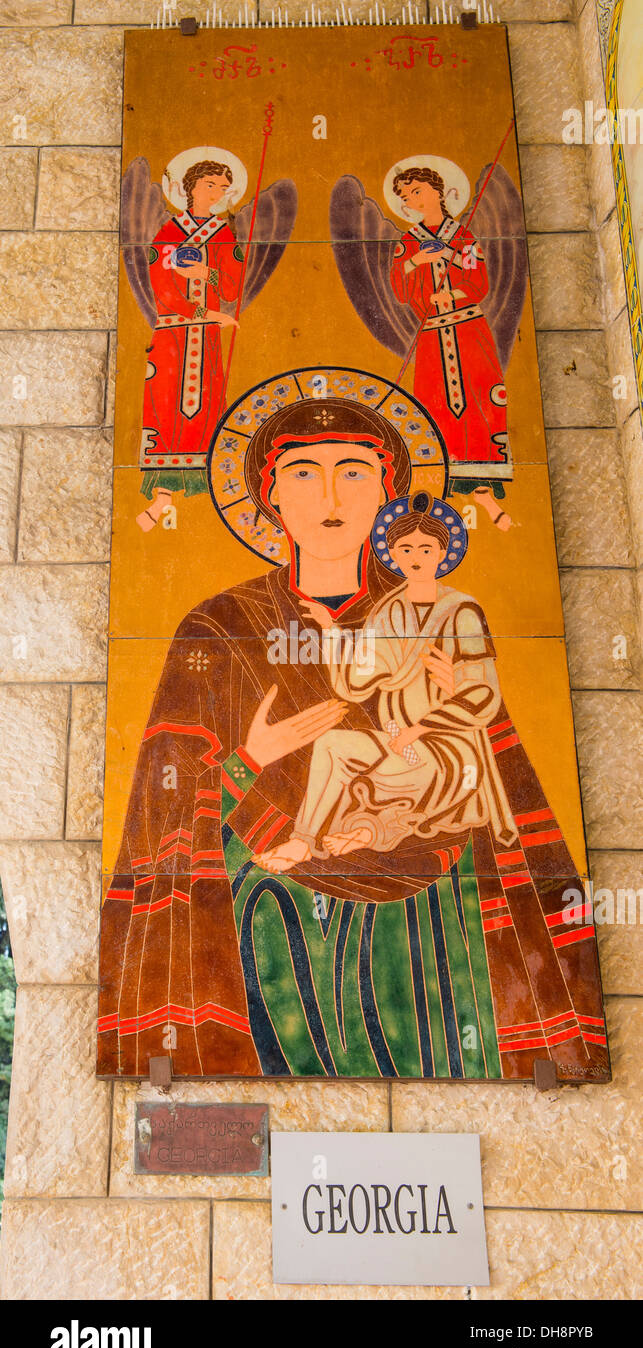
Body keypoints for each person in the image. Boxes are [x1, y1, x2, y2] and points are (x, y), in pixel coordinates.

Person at [98, 394, 608, 1083]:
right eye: (304, 473)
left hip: (434, 919)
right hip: (270, 918)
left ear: (388, 496)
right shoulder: (217, 627)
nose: (331, 494)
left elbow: (497, 777)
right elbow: (163, 811)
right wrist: (252, 761)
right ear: (269, 496)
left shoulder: (432, 611)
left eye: (355, 472)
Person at [253, 492, 517, 872]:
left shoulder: (463, 612)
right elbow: (355, 683)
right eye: (405, 548)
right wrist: (331, 630)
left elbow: (484, 693)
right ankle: (302, 841)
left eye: (426, 549)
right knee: (332, 743)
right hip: (397, 735)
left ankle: (364, 833)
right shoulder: (389, 611)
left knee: (408, 768)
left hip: (450, 748)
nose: (415, 557)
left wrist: (432, 713)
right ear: (392, 553)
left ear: (443, 553)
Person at [390, 166, 512, 529]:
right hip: (432, 333)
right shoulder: (408, 240)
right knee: (433, 400)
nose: (412, 201)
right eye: (406, 197)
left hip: (469, 328)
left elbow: (478, 279)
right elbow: (399, 287)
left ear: (437, 192)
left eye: (417, 192)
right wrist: (417, 260)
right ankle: (440, 486)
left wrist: (450, 268)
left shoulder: (464, 234)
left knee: (480, 397)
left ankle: (484, 488)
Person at [136, 159, 243, 531]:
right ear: (190, 188)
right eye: (210, 185)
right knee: (164, 408)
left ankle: (206, 495)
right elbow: (161, 287)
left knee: (210, 406)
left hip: (206, 340)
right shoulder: (168, 232)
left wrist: (207, 273)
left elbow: (232, 285)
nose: (216, 193)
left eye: (222, 187)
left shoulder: (224, 234)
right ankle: (162, 496)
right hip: (171, 335)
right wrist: (205, 313)